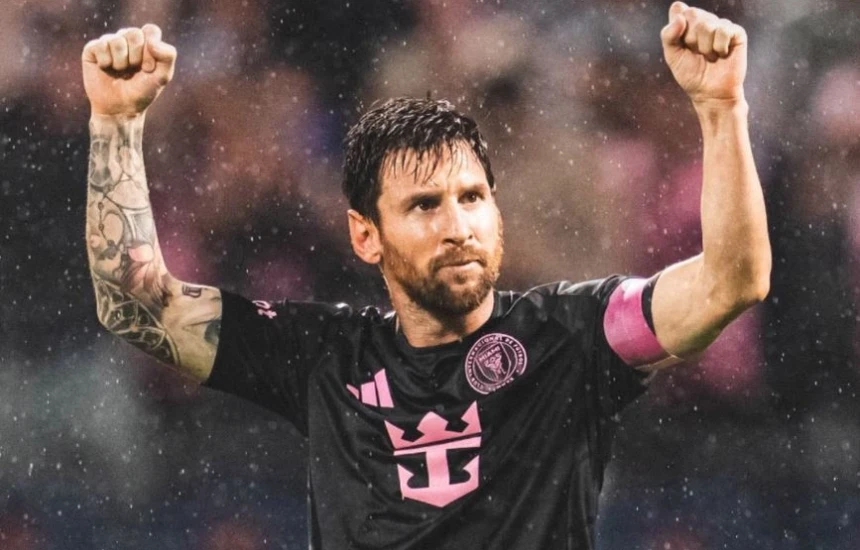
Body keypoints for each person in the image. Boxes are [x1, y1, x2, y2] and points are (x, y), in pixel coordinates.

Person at [81, 2, 770, 548]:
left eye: (472, 198)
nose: (457, 224)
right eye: (424, 205)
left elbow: (731, 281)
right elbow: (135, 307)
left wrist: (720, 109)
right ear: (366, 236)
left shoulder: (570, 332)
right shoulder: (325, 355)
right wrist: (115, 123)